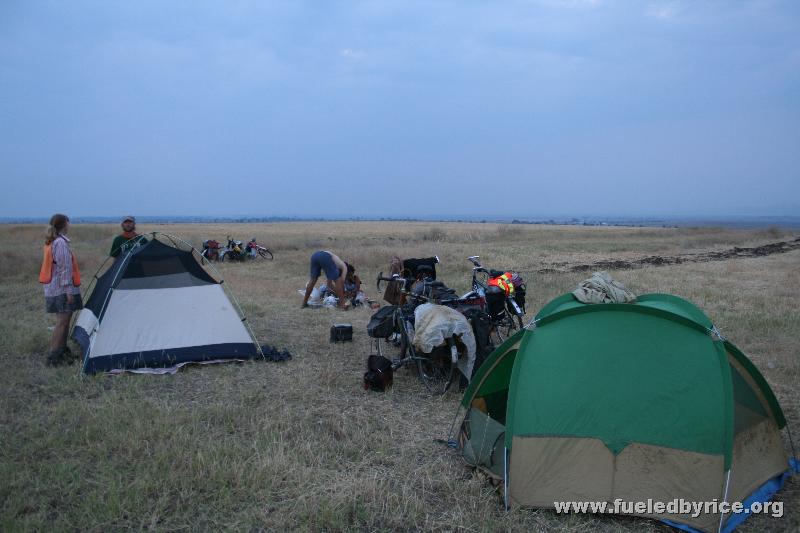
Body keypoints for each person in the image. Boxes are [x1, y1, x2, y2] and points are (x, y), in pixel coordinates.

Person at [39, 214, 83, 366]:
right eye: (68, 223)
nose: (69, 226)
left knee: (64, 321)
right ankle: (53, 356)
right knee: (62, 323)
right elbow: (65, 269)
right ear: (64, 225)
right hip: (62, 290)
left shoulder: (53, 242)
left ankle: (62, 351)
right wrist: (68, 291)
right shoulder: (60, 243)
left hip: (56, 288)